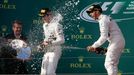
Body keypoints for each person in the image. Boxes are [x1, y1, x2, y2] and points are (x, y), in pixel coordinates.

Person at [86, 4, 125, 75]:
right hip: (117, 41)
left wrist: (93, 46)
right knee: (113, 64)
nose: (90, 14)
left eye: (91, 12)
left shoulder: (103, 20)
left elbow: (104, 37)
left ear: (97, 11)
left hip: (116, 42)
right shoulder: (104, 18)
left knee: (109, 64)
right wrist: (104, 51)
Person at [38, 8, 65, 75]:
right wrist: (42, 45)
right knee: (43, 73)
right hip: (47, 50)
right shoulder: (44, 25)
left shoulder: (57, 25)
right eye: (42, 16)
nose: (43, 18)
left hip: (55, 51)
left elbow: (62, 40)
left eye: (44, 16)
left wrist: (50, 43)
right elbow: (47, 38)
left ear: (49, 15)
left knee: (50, 73)